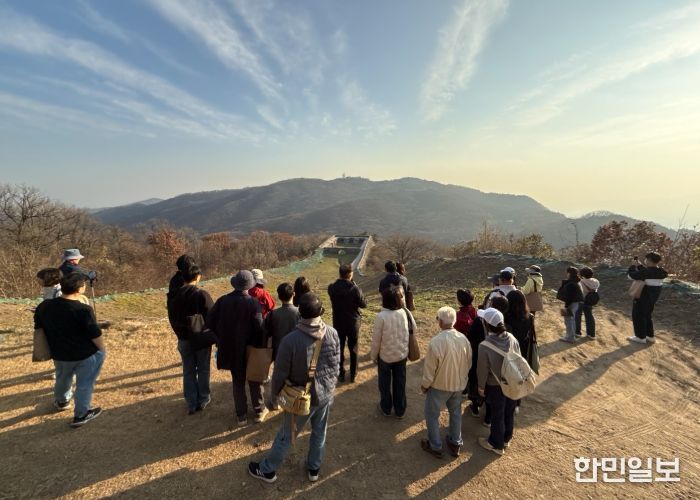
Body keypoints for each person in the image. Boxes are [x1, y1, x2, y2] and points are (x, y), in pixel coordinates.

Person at [248, 293, 340, 484]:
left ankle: (267, 470)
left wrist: (274, 399)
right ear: (321, 312)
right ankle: (314, 468)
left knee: (286, 435)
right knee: (319, 432)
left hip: (300, 398)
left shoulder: (290, 340)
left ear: (300, 314)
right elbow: (336, 364)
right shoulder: (332, 333)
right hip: (325, 394)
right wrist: (330, 386)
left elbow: (279, 375)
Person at [34, 272, 105, 427]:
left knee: (63, 378)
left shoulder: (44, 306)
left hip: (59, 353)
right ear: (79, 289)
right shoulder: (83, 309)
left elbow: (39, 327)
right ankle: (81, 414)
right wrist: (102, 350)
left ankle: (62, 401)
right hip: (84, 355)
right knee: (85, 383)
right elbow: (95, 333)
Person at [206, 270, 266, 426]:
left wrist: (219, 338)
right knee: (254, 380)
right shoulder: (253, 303)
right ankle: (259, 410)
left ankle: (241, 415)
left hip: (231, 348)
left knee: (238, 381)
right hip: (250, 349)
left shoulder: (222, 301)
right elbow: (259, 327)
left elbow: (209, 322)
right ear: (250, 285)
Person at [420, 307, 471, 459]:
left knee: (431, 414)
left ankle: (435, 445)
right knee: (455, 412)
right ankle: (455, 442)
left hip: (439, 386)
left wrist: (425, 385)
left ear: (441, 322)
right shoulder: (464, 339)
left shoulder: (436, 342)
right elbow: (468, 362)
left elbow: (430, 369)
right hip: (458, 385)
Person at [167, 265, 215, 415]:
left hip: (183, 338)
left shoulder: (174, 296)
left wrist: (180, 333)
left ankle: (191, 402)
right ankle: (203, 398)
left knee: (188, 370)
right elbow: (212, 316)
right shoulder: (201, 295)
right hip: (201, 337)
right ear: (197, 277)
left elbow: (172, 318)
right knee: (203, 368)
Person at [477, 307, 520, 456]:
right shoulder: (512, 338)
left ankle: (496, 444)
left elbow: (482, 370)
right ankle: (507, 438)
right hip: (513, 382)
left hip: (495, 385)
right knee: (509, 411)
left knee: (497, 414)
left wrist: (481, 387)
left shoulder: (484, 345)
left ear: (487, 325)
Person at [370, 286, 415, 418]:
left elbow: (376, 340)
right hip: (401, 354)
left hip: (385, 356)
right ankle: (400, 410)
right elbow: (414, 329)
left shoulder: (381, 316)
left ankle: (386, 408)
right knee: (400, 382)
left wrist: (373, 356)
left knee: (384, 383)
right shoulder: (405, 312)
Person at [467, 296, 509, 422]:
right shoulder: (505, 326)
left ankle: (475, 406)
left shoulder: (479, 322)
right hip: (498, 370)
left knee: (476, 382)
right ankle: (488, 417)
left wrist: (481, 386)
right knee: (492, 393)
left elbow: (470, 337)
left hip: (478, 358)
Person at [327, 264, 367, 383]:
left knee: (339, 347)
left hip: (338, 322)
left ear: (339, 273)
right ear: (350, 274)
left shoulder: (332, 288)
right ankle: (353, 374)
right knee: (353, 348)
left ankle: (341, 373)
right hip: (353, 323)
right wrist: (355, 285)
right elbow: (363, 304)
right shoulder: (355, 289)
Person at [504, 290, 536, 413]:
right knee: (519, 376)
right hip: (522, 350)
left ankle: (506, 399)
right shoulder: (529, 317)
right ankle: (517, 402)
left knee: (507, 376)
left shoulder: (506, 317)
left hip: (508, 350)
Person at [628, 252, 668, 344]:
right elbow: (649, 273)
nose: (645, 260)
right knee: (647, 316)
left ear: (649, 260)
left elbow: (630, 276)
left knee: (638, 315)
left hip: (642, 297)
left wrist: (632, 266)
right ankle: (650, 336)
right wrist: (640, 266)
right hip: (653, 298)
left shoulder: (646, 272)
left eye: (646, 259)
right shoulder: (662, 272)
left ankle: (640, 337)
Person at [265, 283, 301, 359]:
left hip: (278, 353)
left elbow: (268, 333)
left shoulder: (273, 314)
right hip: (296, 352)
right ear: (294, 294)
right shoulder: (300, 313)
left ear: (279, 296)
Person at [557, 267, 584, 343]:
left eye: (567, 272)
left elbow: (569, 296)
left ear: (569, 273)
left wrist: (566, 306)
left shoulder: (571, 283)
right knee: (572, 319)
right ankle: (571, 335)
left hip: (570, 303)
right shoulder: (577, 281)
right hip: (575, 303)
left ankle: (570, 338)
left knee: (568, 320)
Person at [577, 267, 600, 340]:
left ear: (582, 274)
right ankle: (591, 334)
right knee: (589, 316)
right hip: (590, 301)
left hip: (581, 300)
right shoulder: (596, 281)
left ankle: (577, 332)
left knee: (577, 316)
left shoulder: (580, 282)